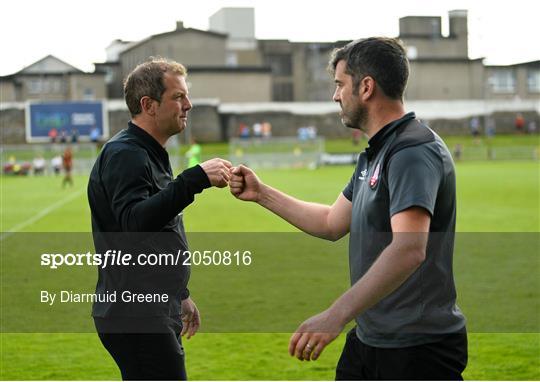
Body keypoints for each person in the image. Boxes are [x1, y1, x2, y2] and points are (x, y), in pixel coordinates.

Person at [230, 37, 467, 380]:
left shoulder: (412, 151)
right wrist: (261, 193)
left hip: (416, 348)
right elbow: (330, 222)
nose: (335, 95)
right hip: (371, 338)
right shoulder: (376, 153)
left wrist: (335, 315)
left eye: (340, 84)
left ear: (366, 87)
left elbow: (409, 248)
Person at [87, 57, 232, 380]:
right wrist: (195, 179)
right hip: (135, 314)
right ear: (148, 105)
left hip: (151, 306)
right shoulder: (127, 154)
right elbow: (133, 226)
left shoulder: (149, 152)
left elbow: (156, 233)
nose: (188, 104)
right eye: (178, 97)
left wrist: (178, 292)